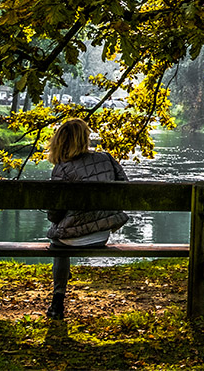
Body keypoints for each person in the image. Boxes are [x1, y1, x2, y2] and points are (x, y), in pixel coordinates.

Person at [44, 117, 129, 320]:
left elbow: (54, 214)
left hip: (70, 239)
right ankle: (60, 291)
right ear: (85, 138)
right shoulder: (107, 158)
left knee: (58, 241)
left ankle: (58, 300)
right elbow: (125, 190)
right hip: (101, 234)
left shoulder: (62, 168)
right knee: (61, 239)